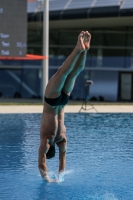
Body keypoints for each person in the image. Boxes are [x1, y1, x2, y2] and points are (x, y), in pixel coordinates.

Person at [38, 31, 91, 182]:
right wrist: (46, 179)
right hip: (51, 101)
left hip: (62, 102)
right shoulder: (46, 141)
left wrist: (56, 179)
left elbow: (62, 163)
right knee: (63, 72)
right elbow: (41, 165)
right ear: (48, 150)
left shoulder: (62, 140)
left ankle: (85, 49)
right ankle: (78, 48)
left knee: (74, 73)